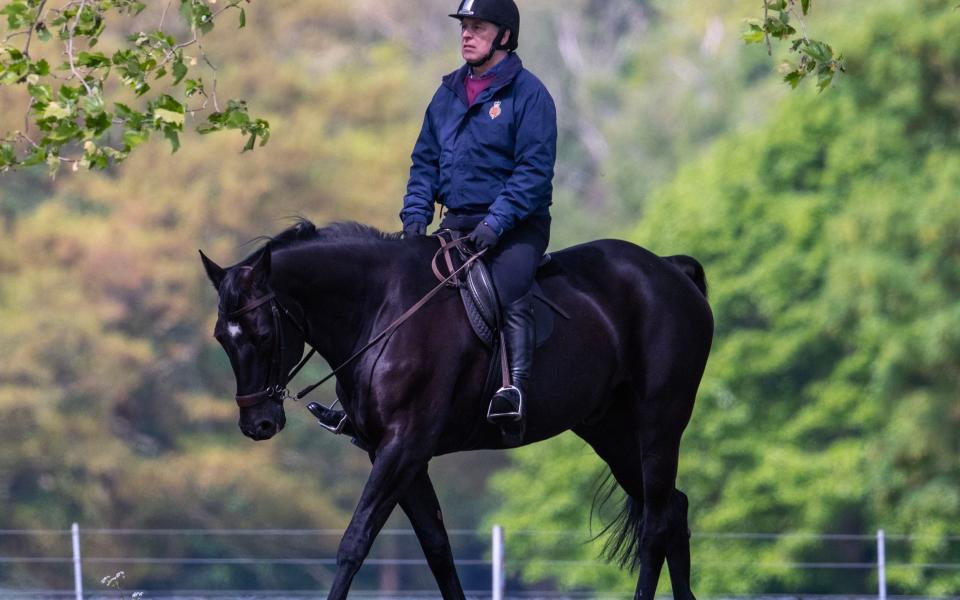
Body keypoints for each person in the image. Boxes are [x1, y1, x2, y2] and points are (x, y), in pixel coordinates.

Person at [312, 0, 557, 434]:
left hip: (517, 227)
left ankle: (513, 389)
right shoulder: (446, 95)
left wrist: (497, 223)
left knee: (507, 288)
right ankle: (359, 403)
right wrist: (413, 220)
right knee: (400, 290)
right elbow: (424, 164)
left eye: (477, 27)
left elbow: (533, 174)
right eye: (464, 26)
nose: (466, 34)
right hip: (457, 223)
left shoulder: (529, 94)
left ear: (503, 35)